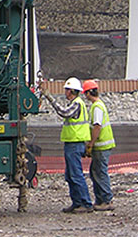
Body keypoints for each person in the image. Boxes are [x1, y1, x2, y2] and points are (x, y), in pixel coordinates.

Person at [41, 76, 93, 213]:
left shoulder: (77, 104)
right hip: (72, 143)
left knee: (76, 174)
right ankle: (77, 202)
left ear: (71, 91)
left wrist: (49, 98)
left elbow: (64, 113)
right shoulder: (76, 103)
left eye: (66, 90)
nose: (65, 92)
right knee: (70, 175)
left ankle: (85, 203)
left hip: (75, 144)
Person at [83, 79, 115, 211]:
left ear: (88, 93)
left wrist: (91, 143)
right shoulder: (99, 105)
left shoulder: (97, 107)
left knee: (100, 172)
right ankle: (101, 199)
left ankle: (106, 200)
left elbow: (97, 126)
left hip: (101, 146)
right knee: (95, 171)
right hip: (103, 145)